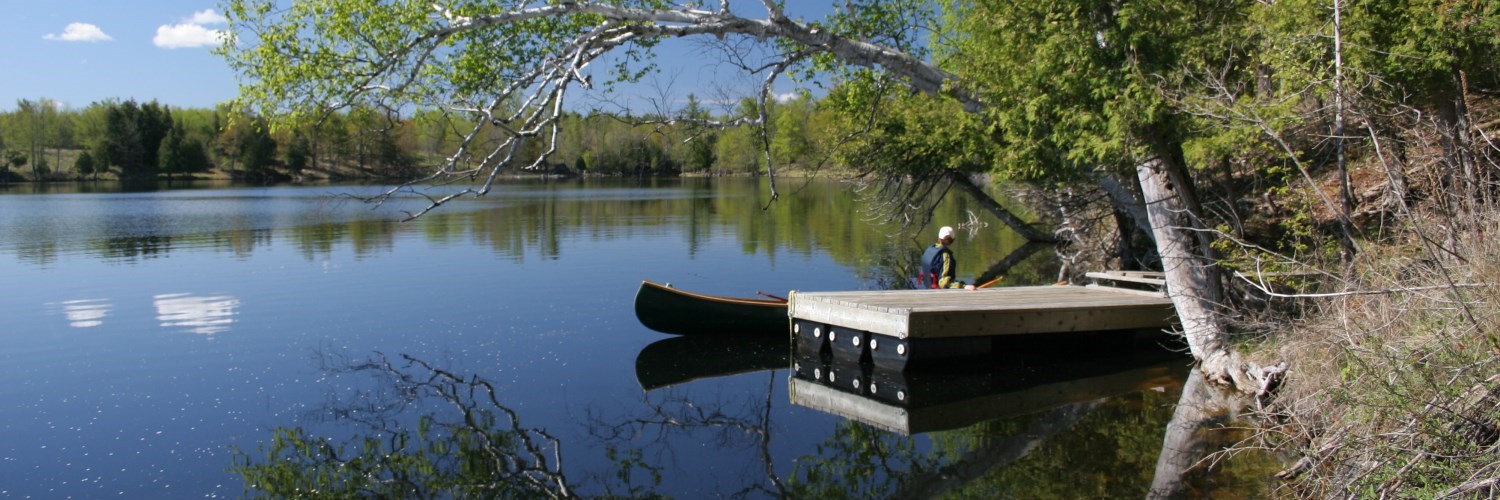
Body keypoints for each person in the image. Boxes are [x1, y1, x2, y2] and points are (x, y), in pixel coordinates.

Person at [924, 226, 977, 290]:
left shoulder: (931, 250)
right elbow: (943, 283)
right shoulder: (946, 255)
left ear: (939, 238)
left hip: (927, 289)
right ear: (953, 240)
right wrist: (964, 286)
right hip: (939, 294)